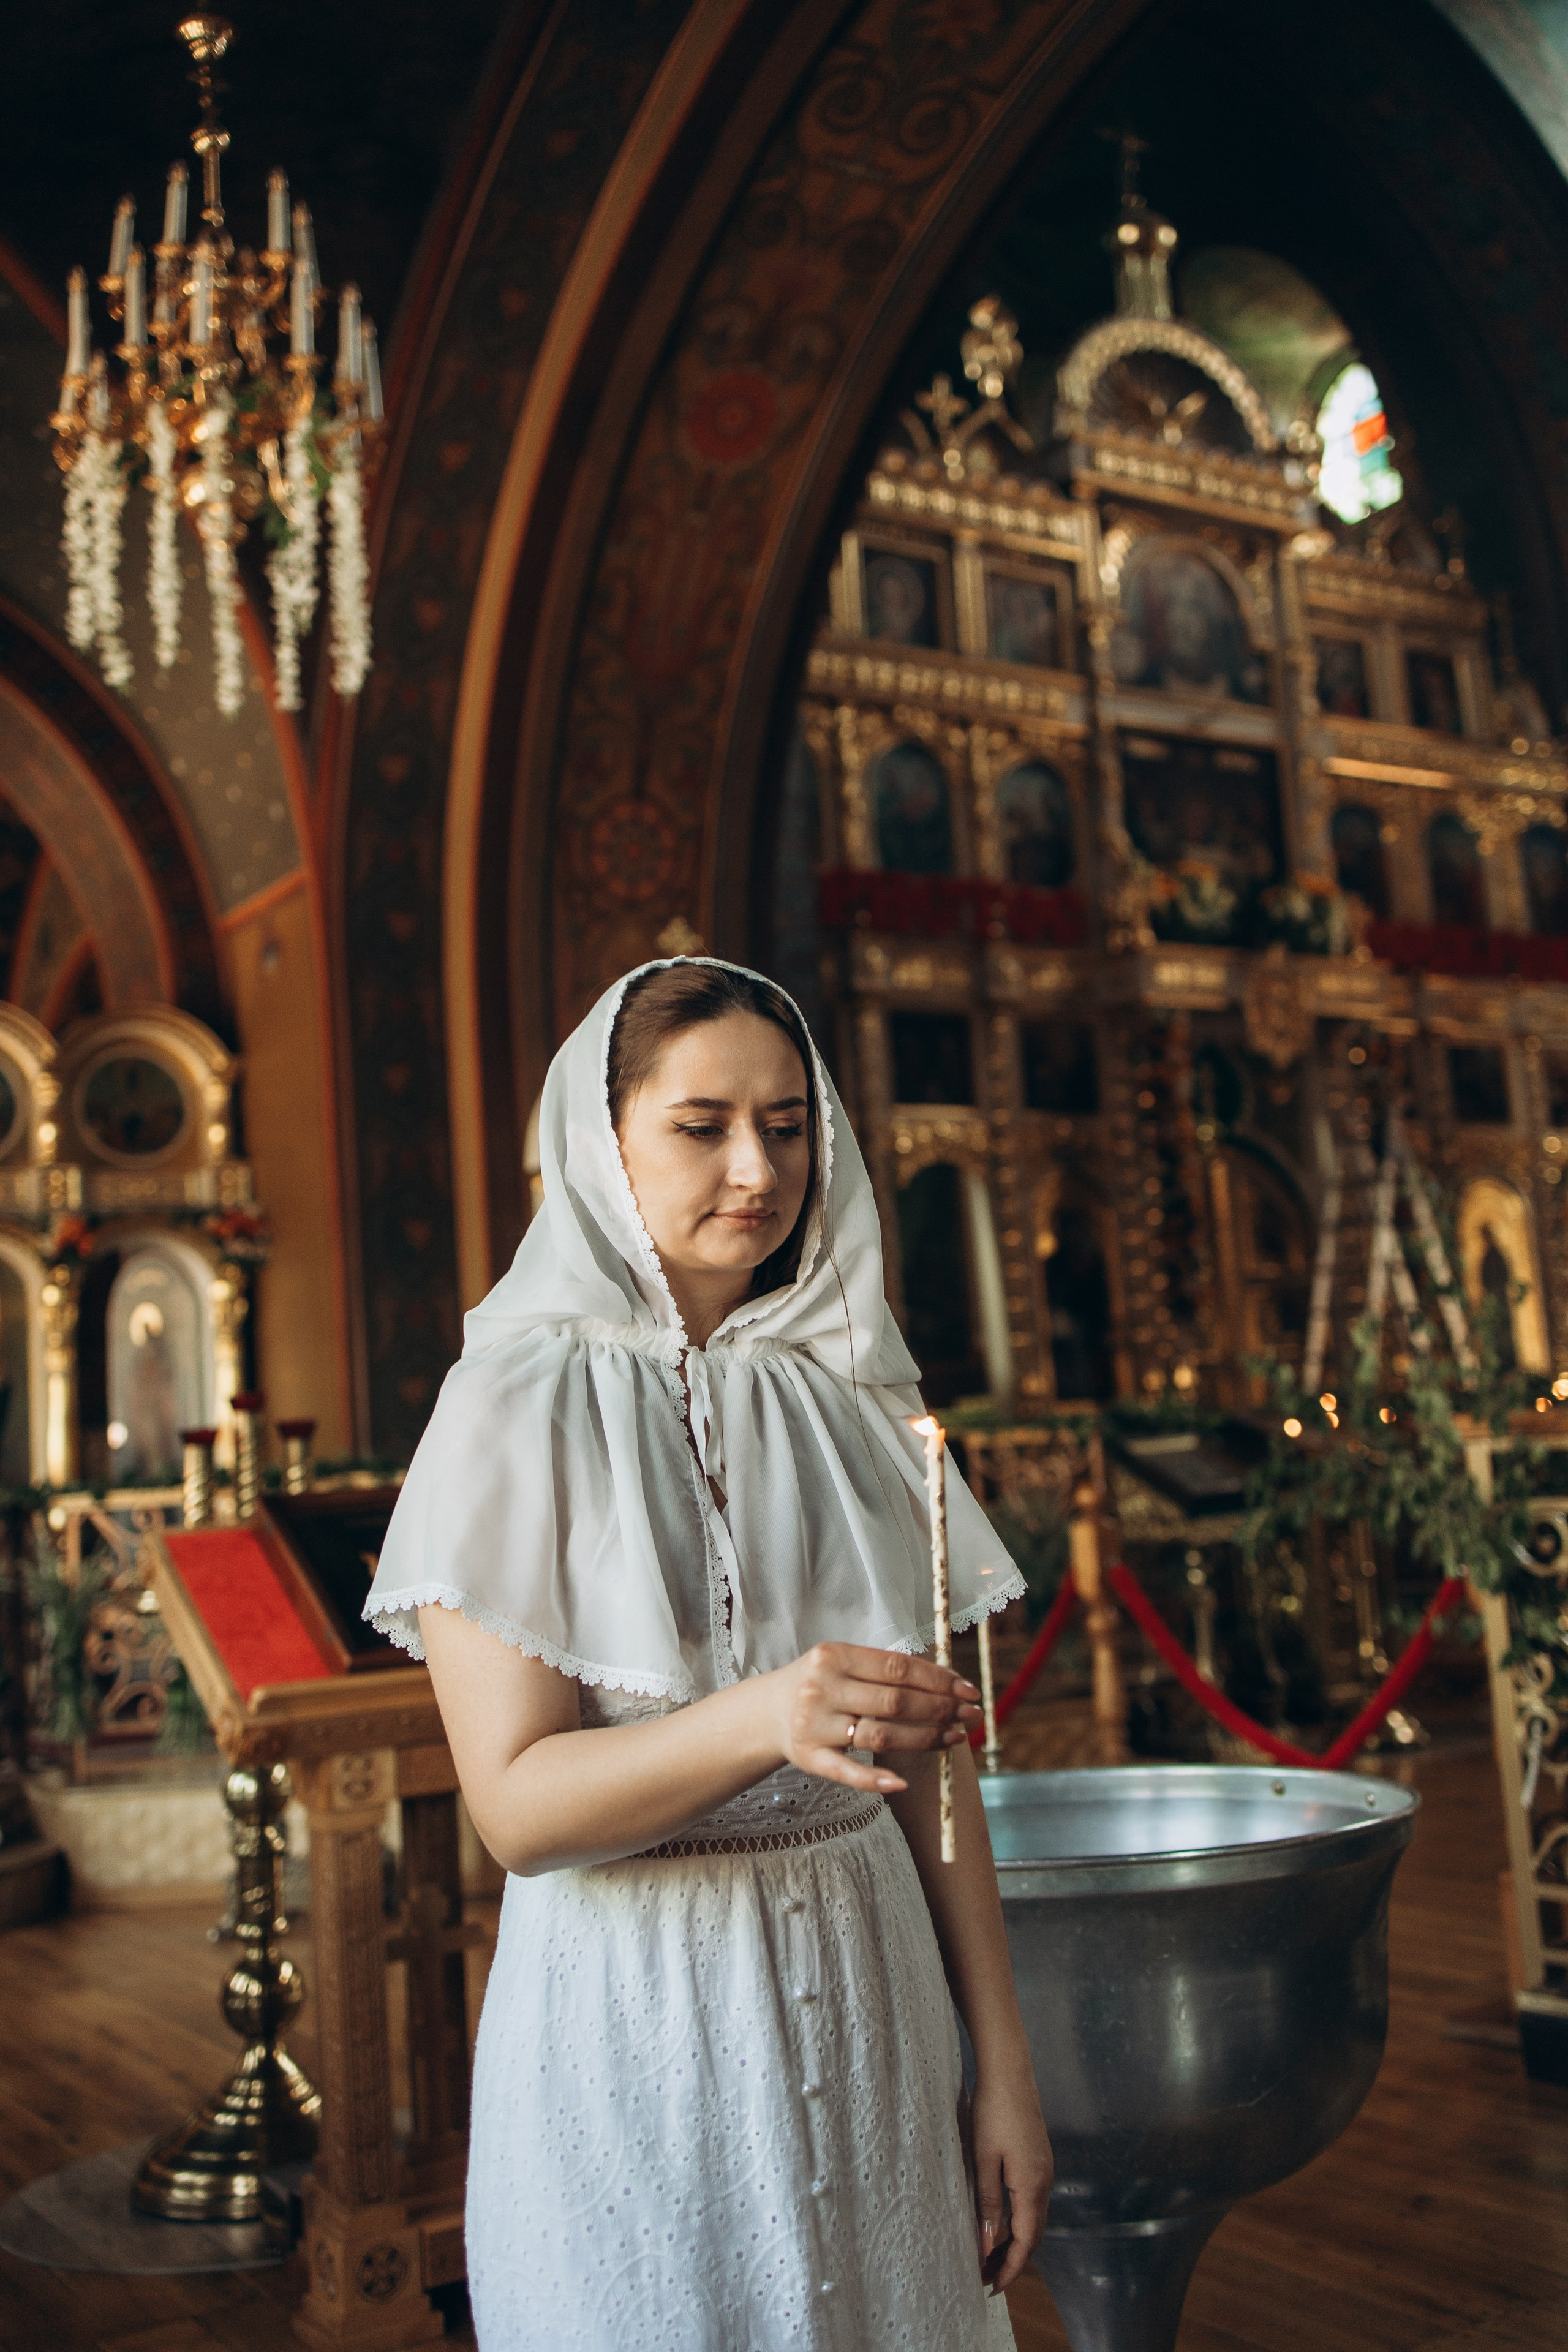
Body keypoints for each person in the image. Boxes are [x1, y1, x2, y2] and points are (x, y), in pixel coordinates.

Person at [365, 956, 1052, 2351]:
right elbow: (517, 1811)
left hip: (876, 1990)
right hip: (642, 2014)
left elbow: (935, 1766)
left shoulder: (841, 1396)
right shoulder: (509, 1406)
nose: (758, 1169)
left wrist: (1005, 2067)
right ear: (599, 1140)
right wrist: (764, 1718)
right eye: (702, 1126)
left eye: (787, 1126)